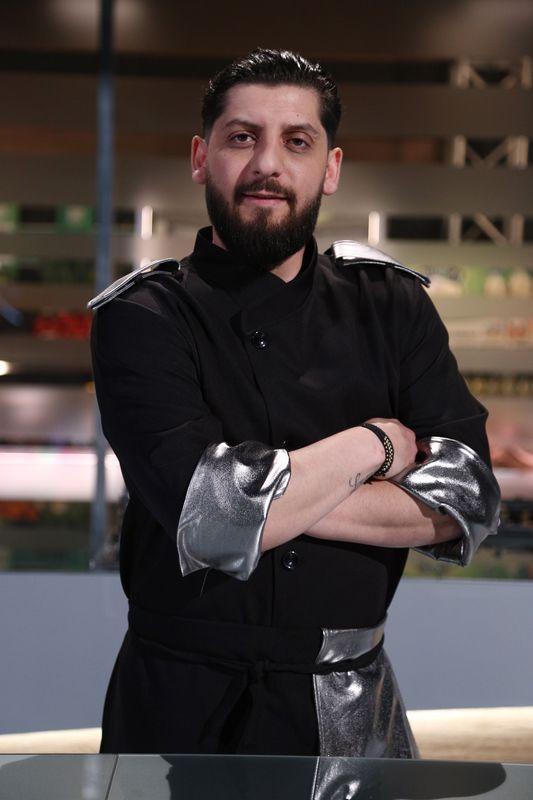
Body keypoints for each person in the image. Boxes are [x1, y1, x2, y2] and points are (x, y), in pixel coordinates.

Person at [89, 48, 500, 757]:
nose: (267, 165)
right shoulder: (143, 315)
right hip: (175, 706)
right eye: (241, 137)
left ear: (330, 168)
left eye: (297, 141)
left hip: (350, 707)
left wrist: (258, 506)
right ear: (201, 157)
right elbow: (207, 518)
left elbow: (467, 499)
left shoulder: (392, 305)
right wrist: (373, 445)